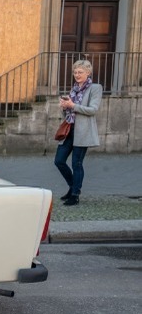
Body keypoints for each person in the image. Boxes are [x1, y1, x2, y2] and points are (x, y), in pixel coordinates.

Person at [54, 60, 103, 206]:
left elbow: (93, 110)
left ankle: (75, 194)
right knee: (59, 161)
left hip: (84, 131)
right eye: (75, 72)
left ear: (88, 73)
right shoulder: (74, 89)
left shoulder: (95, 88)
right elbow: (70, 111)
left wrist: (73, 105)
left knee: (77, 163)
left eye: (80, 72)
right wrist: (64, 107)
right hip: (70, 129)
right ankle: (72, 186)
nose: (77, 75)